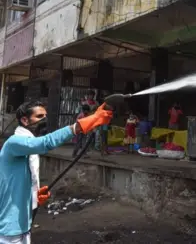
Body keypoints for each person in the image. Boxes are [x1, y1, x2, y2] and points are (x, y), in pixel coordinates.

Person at [0, 101, 112, 244]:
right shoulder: (14, 143)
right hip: (9, 229)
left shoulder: (26, 146)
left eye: (46, 116)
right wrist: (82, 125)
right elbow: (46, 143)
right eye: (39, 116)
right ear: (24, 120)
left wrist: (34, 195)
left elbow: (16, 180)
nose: (45, 120)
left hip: (22, 226)